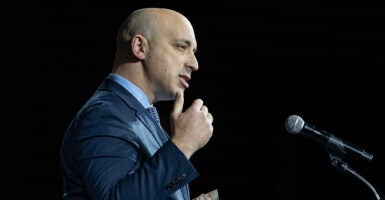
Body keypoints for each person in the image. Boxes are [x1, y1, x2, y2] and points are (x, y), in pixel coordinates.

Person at [59, 7, 215, 200]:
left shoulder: (134, 113)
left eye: (194, 51)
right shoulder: (104, 114)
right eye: (181, 47)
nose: (194, 63)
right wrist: (183, 144)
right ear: (140, 47)